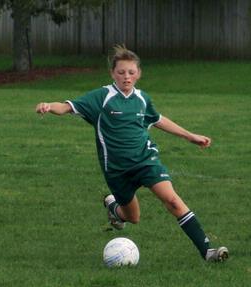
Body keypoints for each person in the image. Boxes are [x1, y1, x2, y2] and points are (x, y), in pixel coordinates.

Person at [35, 44, 228, 262]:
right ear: (112, 74)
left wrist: (190, 136)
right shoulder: (102, 97)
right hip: (117, 171)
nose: (126, 77)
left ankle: (207, 252)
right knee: (133, 217)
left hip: (146, 161)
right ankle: (114, 207)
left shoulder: (142, 99)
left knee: (172, 200)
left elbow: (158, 120)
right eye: (121, 72)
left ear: (138, 74)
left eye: (131, 72)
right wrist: (49, 106)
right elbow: (67, 106)